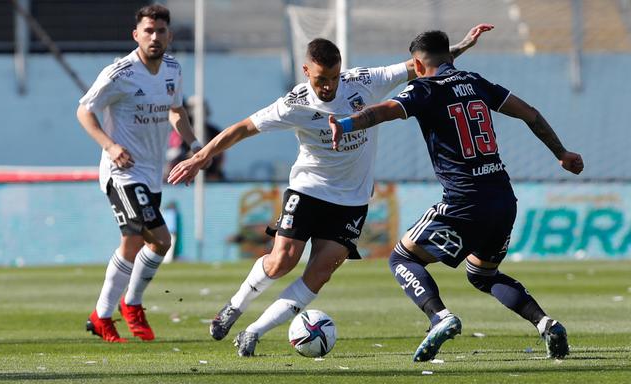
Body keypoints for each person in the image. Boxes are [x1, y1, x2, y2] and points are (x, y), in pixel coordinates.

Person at [168, 24, 493, 357]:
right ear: (306, 70)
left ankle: (253, 332)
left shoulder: (364, 81)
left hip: (352, 200)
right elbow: (243, 128)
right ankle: (234, 308)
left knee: (319, 273)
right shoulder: (294, 103)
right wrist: (200, 157)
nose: (328, 86)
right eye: (321, 79)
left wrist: (463, 46)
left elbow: (422, 64)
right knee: (283, 260)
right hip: (308, 188)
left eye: (334, 78)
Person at [328, 30, 584, 361]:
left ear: (418, 65)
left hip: (464, 201)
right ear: (449, 57)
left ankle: (440, 318)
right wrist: (561, 153)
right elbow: (530, 113)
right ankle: (545, 323)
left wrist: (345, 124)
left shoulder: (422, 89)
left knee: (402, 258)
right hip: (503, 199)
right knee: (481, 274)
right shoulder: (476, 82)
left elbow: (381, 112)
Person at [77, 4, 201, 343]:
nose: (154, 37)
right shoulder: (120, 73)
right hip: (122, 172)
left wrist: (194, 145)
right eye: (148, 31)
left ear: (169, 35)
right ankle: (129, 305)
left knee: (135, 243)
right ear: (136, 35)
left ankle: (103, 315)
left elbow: (176, 111)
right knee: (161, 240)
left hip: (150, 173)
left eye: (161, 31)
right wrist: (110, 146)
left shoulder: (173, 69)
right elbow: (84, 111)